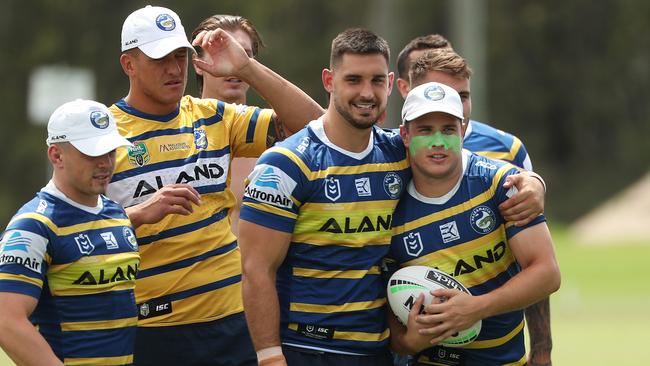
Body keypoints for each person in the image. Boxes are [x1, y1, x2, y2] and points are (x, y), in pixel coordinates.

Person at [237, 28, 545, 366]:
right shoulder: (285, 164)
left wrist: (533, 181)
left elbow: (457, 158)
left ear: (389, 83)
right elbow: (256, 271)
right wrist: (269, 357)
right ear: (329, 80)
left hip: (376, 352)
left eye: (375, 81)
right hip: (306, 350)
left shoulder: (397, 153)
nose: (366, 93)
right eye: (353, 79)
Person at [106, 5, 324, 366]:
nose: (174, 69)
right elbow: (73, 228)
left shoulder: (215, 116)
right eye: (161, 59)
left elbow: (316, 128)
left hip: (231, 324)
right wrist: (137, 214)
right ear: (129, 64)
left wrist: (247, 69)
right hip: (151, 328)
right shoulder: (104, 136)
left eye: (180, 56)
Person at [388, 81, 561, 365]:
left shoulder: (500, 184)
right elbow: (387, 316)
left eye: (448, 130)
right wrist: (408, 341)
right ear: (405, 135)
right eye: (425, 130)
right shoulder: (390, 203)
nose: (438, 142)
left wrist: (477, 308)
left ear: (463, 131)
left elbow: (547, 273)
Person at [0, 100, 137, 365]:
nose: (105, 163)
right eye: (92, 153)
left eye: (110, 152)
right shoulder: (33, 225)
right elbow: (6, 320)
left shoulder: (116, 213)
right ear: (56, 155)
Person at [191, 14, 266, 234]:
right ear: (198, 64)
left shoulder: (278, 138)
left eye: (243, 55)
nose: (233, 65)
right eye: (221, 54)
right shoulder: (173, 136)